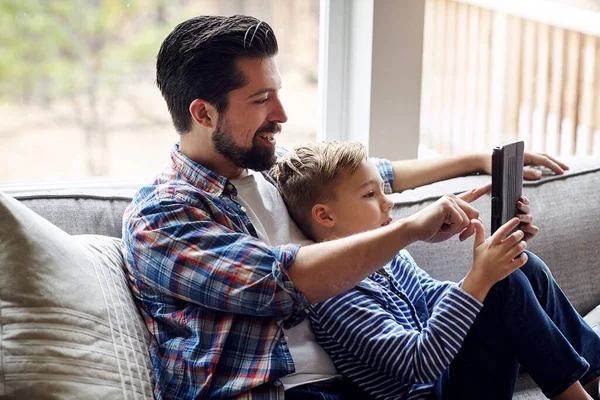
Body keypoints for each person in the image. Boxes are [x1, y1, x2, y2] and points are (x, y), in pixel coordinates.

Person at [121, 14, 572, 399]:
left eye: (275, 93)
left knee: (515, 273)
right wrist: (410, 229)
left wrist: (475, 161)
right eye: (261, 100)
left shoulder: (266, 173)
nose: (280, 113)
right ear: (203, 114)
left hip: (363, 384)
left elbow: (371, 176)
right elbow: (284, 280)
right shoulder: (162, 217)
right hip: (283, 391)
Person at [273, 140, 600, 400]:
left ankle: (594, 377)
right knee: (503, 283)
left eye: (383, 190)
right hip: (429, 391)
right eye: (370, 195)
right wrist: (481, 279)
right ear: (325, 216)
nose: (388, 203)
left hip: (452, 377)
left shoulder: (390, 255)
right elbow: (420, 364)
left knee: (522, 269)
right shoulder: (333, 295)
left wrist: (489, 262)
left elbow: (435, 298)